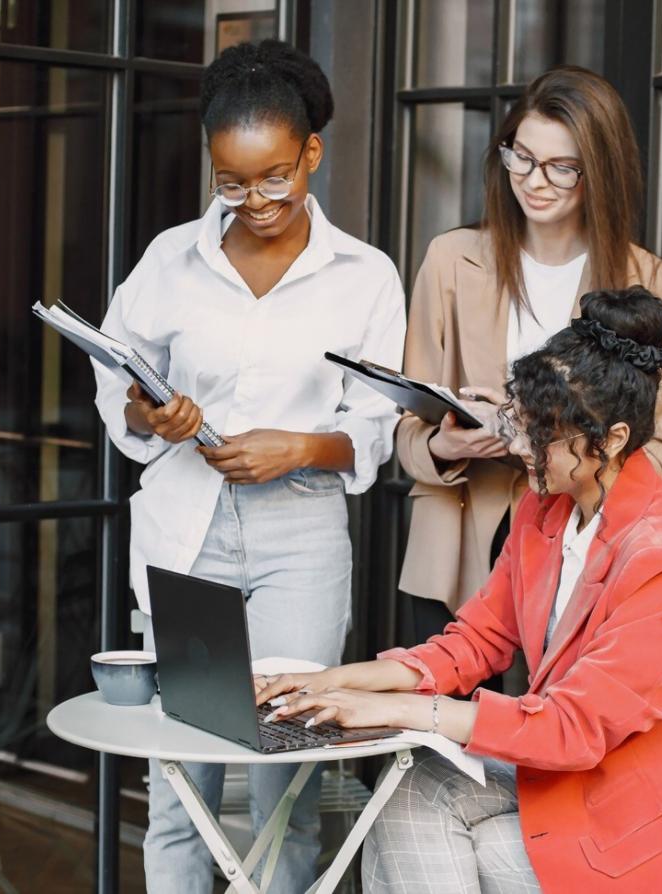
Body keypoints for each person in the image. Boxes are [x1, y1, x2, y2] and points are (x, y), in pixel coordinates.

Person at [257, 288, 662, 892]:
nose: (518, 448)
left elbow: (571, 727)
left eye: (542, 435)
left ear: (613, 439)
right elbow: (475, 642)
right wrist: (331, 682)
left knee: (456, 845)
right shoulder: (547, 511)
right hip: (572, 789)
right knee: (407, 797)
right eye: (520, 423)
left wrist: (402, 711)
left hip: (642, 832)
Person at [90, 40, 406, 894]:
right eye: (232, 182)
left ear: (311, 153)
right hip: (187, 533)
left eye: (275, 176)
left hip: (301, 537)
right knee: (181, 787)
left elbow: (376, 427)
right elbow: (119, 384)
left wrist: (298, 447)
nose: (256, 201)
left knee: (287, 789)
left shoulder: (365, 276)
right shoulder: (169, 261)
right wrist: (150, 411)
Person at [396, 66, 662, 645]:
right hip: (456, 542)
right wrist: (443, 444)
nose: (534, 180)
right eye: (521, 158)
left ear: (598, 172)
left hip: (584, 544)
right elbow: (408, 423)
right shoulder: (452, 261)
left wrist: (558, 459)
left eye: (561, 167)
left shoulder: (649, 281)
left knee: (550, 726)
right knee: (439, 718)